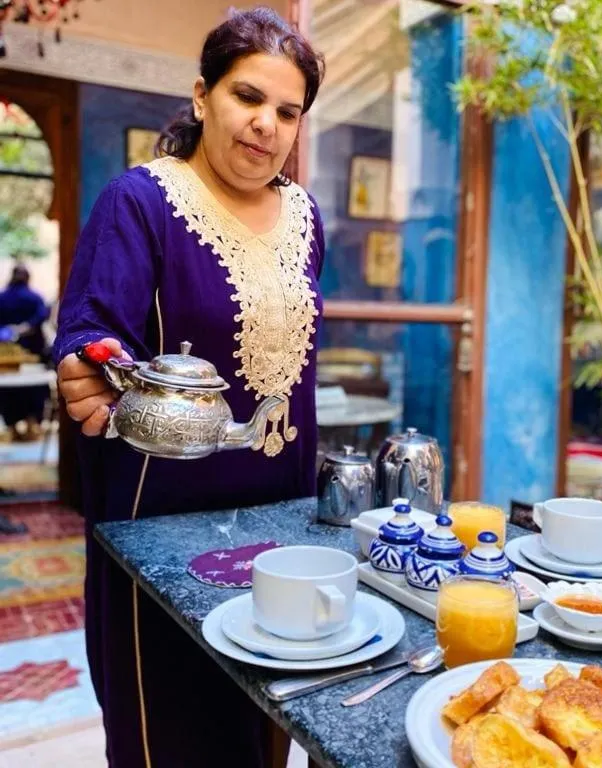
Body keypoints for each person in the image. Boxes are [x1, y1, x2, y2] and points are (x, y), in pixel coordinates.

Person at [53, 8, 325, 767]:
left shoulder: (305, 216)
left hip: (284, 517)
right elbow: (90, 331)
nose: (266, 124)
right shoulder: (141, 202)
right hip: (163, 525)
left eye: (287, 110)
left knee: (270, 720)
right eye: (248, 97)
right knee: (169, 729)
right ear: (202, 95)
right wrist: (86, 367)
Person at [0, 263, 51, 439]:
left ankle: (13, 427)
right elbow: (43, 315)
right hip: (33, 351)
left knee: (8, 390)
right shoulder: (35, 297)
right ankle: (33, 423)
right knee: (34, 387)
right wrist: (26, 327)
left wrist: (8, 331)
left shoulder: (2, 297)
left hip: (6, 353)